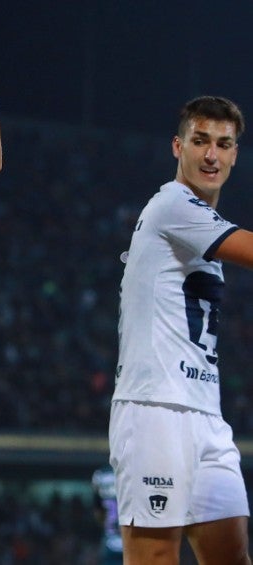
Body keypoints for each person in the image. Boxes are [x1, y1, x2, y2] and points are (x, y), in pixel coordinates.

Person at [112, 95, 253, 564]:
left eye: (223, 144)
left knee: (231, 557)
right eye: (200, 141)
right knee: (154, 559)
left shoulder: (203, 224)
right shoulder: (173, 205)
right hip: (155, 410)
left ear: (235, 154)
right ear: (178, 147)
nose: (211, 154)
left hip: (206, 416)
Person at [92, 463, 124, 564]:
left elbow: (98, 514)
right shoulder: (134, 469)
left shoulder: (100, 475)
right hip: (132, 541)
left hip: (111, 542)